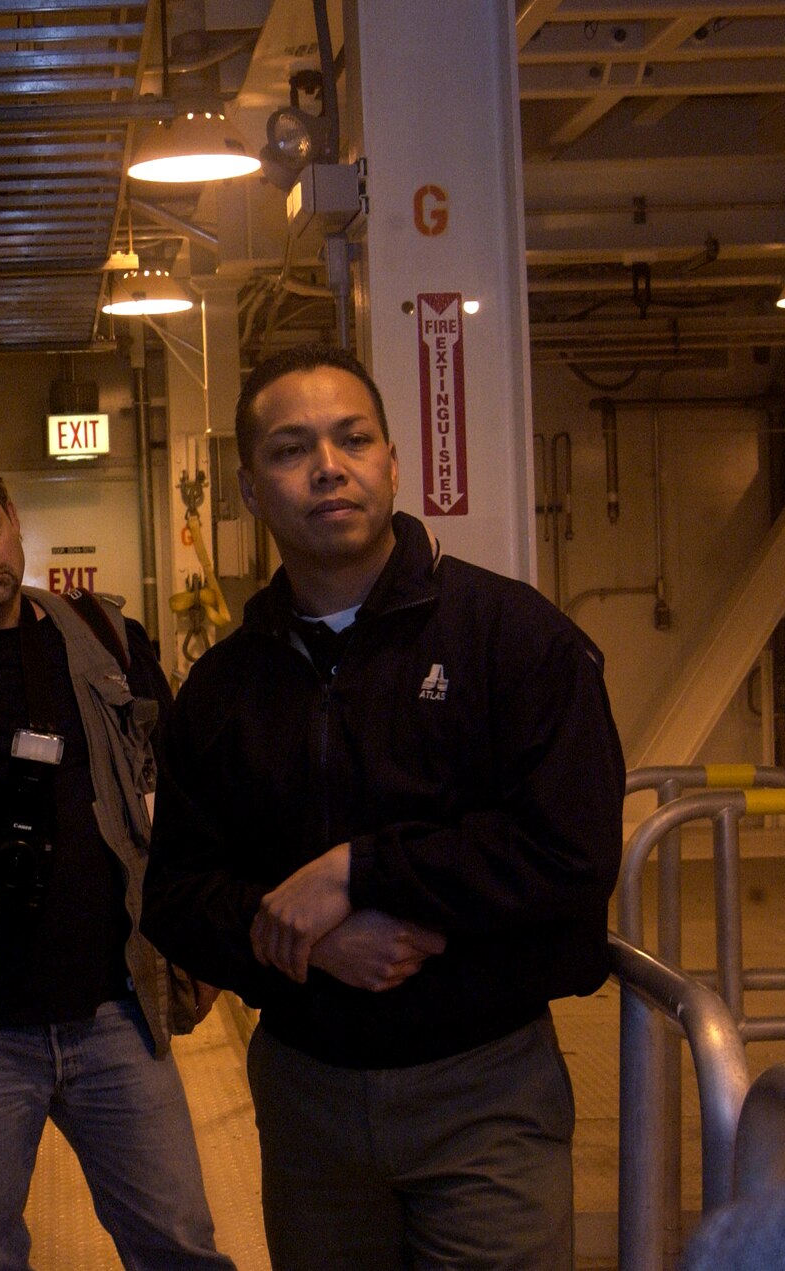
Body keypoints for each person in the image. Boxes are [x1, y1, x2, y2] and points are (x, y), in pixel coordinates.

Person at [142, 344, 623, 1271]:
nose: (328, 464)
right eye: (290, 449)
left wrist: (363, 869)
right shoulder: (225, 687)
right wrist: (311, 940)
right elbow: (178, 894)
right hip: (307, 1097)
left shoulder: (513, 640)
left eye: (352, 438)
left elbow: (568, 852)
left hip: (485, 1091)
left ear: (393, 463)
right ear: (249, 490)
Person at [0, 461, 234, 1271]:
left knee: (180, 1243)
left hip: (113, 1009)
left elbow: (174, 799)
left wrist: (193, 940)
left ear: (14, 520)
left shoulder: (101, 638)